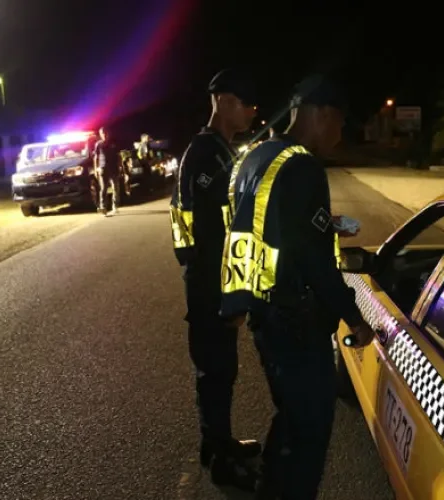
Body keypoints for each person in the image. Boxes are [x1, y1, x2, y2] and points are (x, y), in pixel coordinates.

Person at [219, 75, 376, 500]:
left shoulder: (256, 156)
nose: (340, 136)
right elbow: (316, 263)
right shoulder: (303, 165)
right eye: (340, 124)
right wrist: (356, 317)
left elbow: (272, 225)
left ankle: (272, 484)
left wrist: (329, 225)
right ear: (321, 115)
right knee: (309, 434)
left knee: (290, 418)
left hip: (264, 314)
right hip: (297, 323)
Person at [168, 68, 261, 491]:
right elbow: (208, 234)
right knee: (217, 371)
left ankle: (217, 444)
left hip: (210, 282)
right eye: (246, 102)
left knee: (221, 371)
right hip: (211, 286)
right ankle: (222, 461)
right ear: (223, 101)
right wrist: (229, 294)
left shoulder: (219, 150)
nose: (252, 110)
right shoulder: (207, 155)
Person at [93, 126, 120, 216]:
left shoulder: (113, 143)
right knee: (103, 188)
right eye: (102, 133)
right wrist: (96, 169)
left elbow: (118, 156)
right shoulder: (98, 144)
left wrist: (120, 166)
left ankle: (115, 206)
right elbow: (96, 157)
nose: (104, 135)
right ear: (100, 134)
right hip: (103, 169)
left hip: (113, 168)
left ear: (108, 134)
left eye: (105, 133)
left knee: (115, 187)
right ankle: (103, 207)